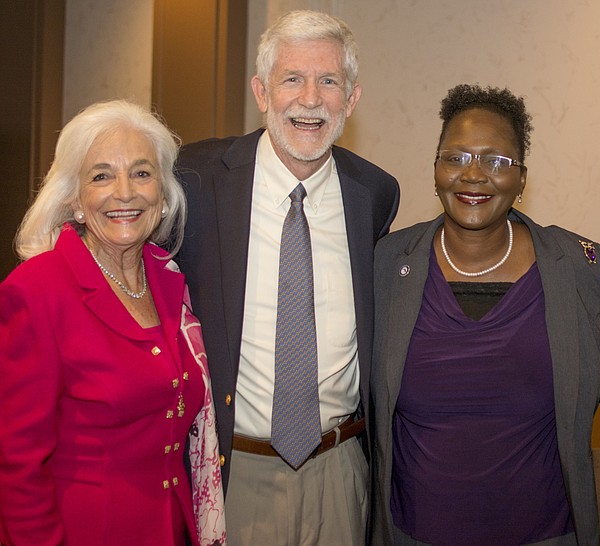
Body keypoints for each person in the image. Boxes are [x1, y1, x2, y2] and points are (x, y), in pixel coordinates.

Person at [176, 9, 399, 545]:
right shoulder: (195, 181)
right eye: (292, 79)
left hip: (343, 470)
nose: (310, 99)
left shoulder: (375, 194)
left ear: (351, 98)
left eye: (329, 81)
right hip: (236, 471)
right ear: (261, 91)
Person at [369, 84, 600, 546]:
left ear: (522, 178)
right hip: (412, 535)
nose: (474, 175)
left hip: (546, 535)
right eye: (456, 157)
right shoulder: (386, 266)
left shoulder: (574, 270)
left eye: (497, 161)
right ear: (436, 170)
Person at [0, 100, 226, 545]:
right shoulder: (37, 291)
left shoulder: (170, 281)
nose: (124, 192)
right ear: (75, 200)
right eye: (101, 175)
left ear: (163, 195)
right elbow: (15, 464)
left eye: (141, 173)